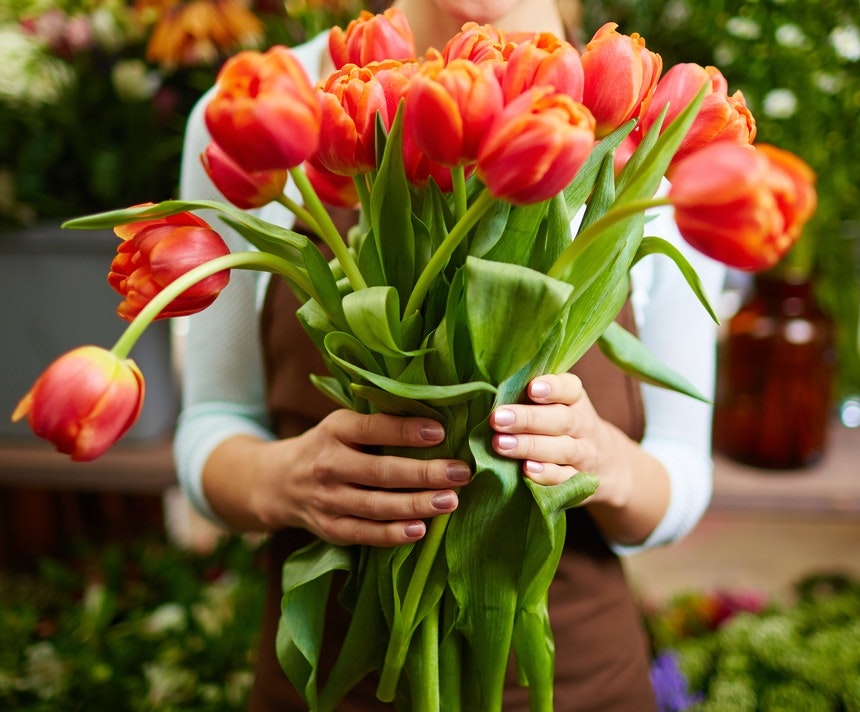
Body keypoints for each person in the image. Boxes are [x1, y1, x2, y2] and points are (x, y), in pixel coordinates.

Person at [176, 1, 726, 709]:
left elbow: (682, 474)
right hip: (332, 681)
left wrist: (602, 461)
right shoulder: (264, 103)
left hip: (574, 681)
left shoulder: (650, 122)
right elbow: (215, 420)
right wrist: (281, 479)